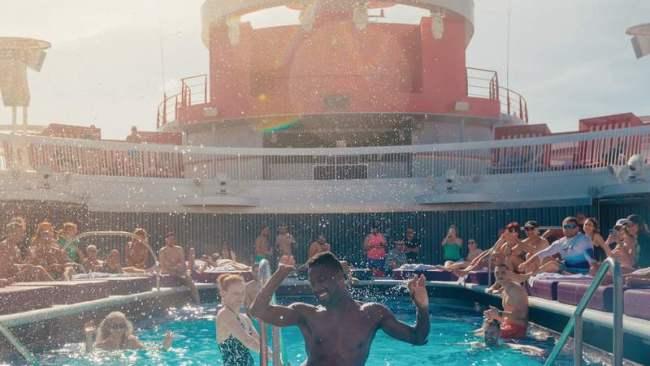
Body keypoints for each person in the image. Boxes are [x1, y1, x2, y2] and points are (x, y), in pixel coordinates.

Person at [250, 252, 430, 366]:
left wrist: (422, 307)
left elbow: (418, 337)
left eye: (321, 280)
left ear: (339, 277)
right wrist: (280, 273)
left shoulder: (372, 314)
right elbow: (258, 311)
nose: (316, 288)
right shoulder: (307, 314)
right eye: (312, 283)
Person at [216, 274, 266, 366]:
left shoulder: (245, 318)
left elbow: (260, 343)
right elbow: (247, 340)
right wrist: (273, 357)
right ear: (223, 293)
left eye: (242, 293)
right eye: (235, 293)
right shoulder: (224, 314)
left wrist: (276, 357)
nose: (240, 297)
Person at [519, 217, 595, 275]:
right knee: (546, 259)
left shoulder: (584, 239)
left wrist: (593, 268)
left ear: (577, 228)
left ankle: (529, 276)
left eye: (571, 226)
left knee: (552, 264)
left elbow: (590, 258)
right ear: (562, 228)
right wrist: (525, 264)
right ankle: (529, 277)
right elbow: (543, 253)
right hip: (567, 269)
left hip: (582, 271)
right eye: (566, 226)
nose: (568, 229)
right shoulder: (560, 242)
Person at [84, 311, 173, 352]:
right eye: (115, 326)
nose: (119, 329)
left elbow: (149, 350)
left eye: (121, 326)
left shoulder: (131, 341)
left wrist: (165, 347)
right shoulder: (103, 345)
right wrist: (88, 336)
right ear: (108, 328)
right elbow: (90, 354)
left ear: (125, 327)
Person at [482, 265, 529, 339]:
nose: (500, 275)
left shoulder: (515, 290)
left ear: (509, 274)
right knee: (481, 331)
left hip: (518, 329)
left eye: (503, 273)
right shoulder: (505, 290)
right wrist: (494, 316)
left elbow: (522, 316)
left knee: (486, 336)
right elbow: (507, 318)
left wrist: (499, 313)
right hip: (507, 325)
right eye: (497, 273)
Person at [159, 232, 200, 304]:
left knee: (190, 281)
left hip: (179, 271)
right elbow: (163, 266)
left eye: (173, 239)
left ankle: (197, 302)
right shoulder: (163, 251)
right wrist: (173, 269)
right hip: (167, 271)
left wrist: (181, 270)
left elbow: (183, 263)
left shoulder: (179, 249)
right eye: (170, 239)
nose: (172, 241)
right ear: (166, 240)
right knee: (180, 276)